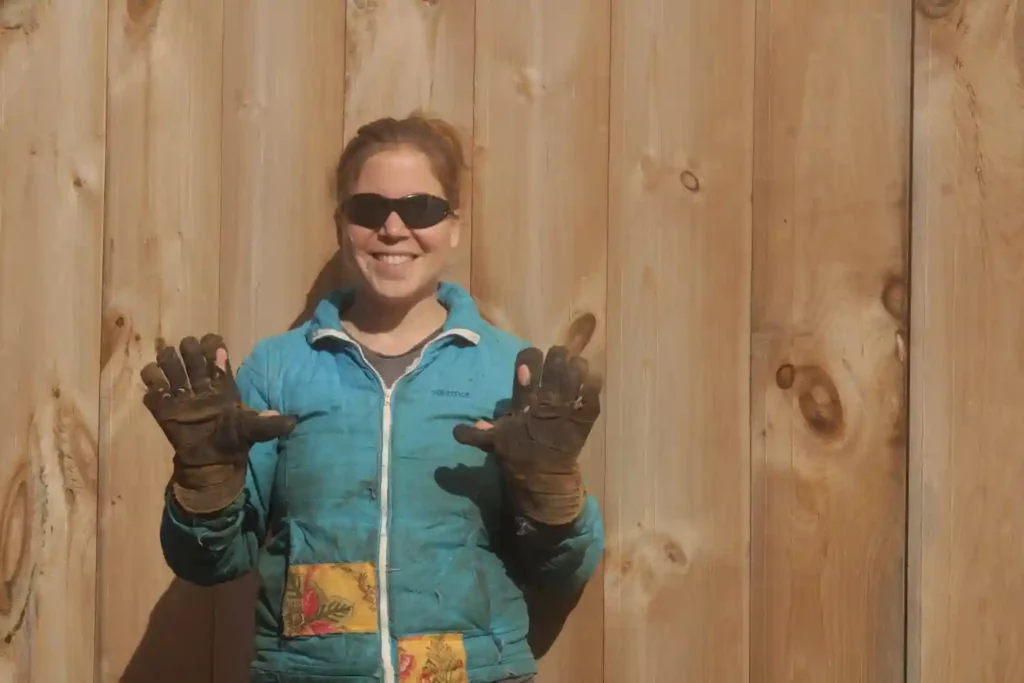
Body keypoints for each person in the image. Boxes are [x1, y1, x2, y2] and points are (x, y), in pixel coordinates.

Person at [141, 112, 605, 683]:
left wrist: (554, 490)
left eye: (421, 209)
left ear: (454, 226)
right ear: (342, 224)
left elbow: (562, 570)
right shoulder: (279, 367)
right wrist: (204, 481)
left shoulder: (511, 373)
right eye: (369, 209)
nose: (392, 227)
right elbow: (211, 562)